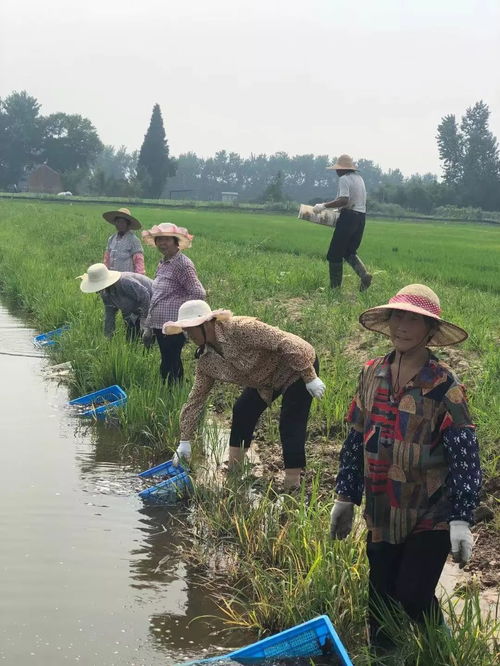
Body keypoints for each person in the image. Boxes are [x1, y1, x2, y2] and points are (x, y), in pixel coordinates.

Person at [329, 284, 481, 649]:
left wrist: (461, 518)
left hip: (431, 509)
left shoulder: (444, 384)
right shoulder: (371, 373)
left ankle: (442, 652)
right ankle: (384, 657)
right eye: (399, 316)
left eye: (415, 320)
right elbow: (355, 436)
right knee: (380, 599)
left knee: (413, 593)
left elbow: (465, 453)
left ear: (430, 331)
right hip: (382, 507)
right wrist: (346, 495)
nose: (403, 326)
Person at [163, 300, 326, 489]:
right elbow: (196, 399)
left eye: (191, 329)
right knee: (242, 411)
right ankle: (234, 473)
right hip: (265, 380)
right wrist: (185, 441)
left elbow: (288, 342)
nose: (188, 335)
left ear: (207, 324)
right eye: (185, 330)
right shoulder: (206, 361)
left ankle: (292, 483)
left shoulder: (241, 328)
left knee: (290, 422)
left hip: (295, 367)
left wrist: (309, 376)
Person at [141, 223, 206, 385]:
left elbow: (198, 292)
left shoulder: (183, 264)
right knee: (167, 360)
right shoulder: (163, 263)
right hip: (160, 324)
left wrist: (184, 318)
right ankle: (169, 391)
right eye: (159, 240)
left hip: (173, 325)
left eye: (166, 239)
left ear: (176, 241)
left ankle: (175, 393)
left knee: (172, 362)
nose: (162, 243)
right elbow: (158, 293)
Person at [312, 154, 372, 291]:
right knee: (349, 251)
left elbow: (344, 200)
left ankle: (334, 288)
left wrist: (324, 206)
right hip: (361, 218)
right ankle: (364, 275)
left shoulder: (344, 179)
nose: (337, 172)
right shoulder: (359, 179)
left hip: (349, 218)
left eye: (338, 169)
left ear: (343, 169)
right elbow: (355, 201)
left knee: (334, 254)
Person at [79, 263, 153, 340]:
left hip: (153, 303)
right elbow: (109, 315)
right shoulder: (105, 294)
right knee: (131, 339)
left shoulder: (125, 282)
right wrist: (108, 335)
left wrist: (144, 320)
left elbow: (145, 295)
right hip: (132, 310)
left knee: (148, 338)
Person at [103, 207, 145, 274]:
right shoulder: (111, 239)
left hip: (127, 279)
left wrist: (139, 278)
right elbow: (106, 259)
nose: (120, 224)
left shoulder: (133, 240)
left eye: (123, 222)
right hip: (111, 277)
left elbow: (139, 262)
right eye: (118, 222)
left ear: (128, 224)